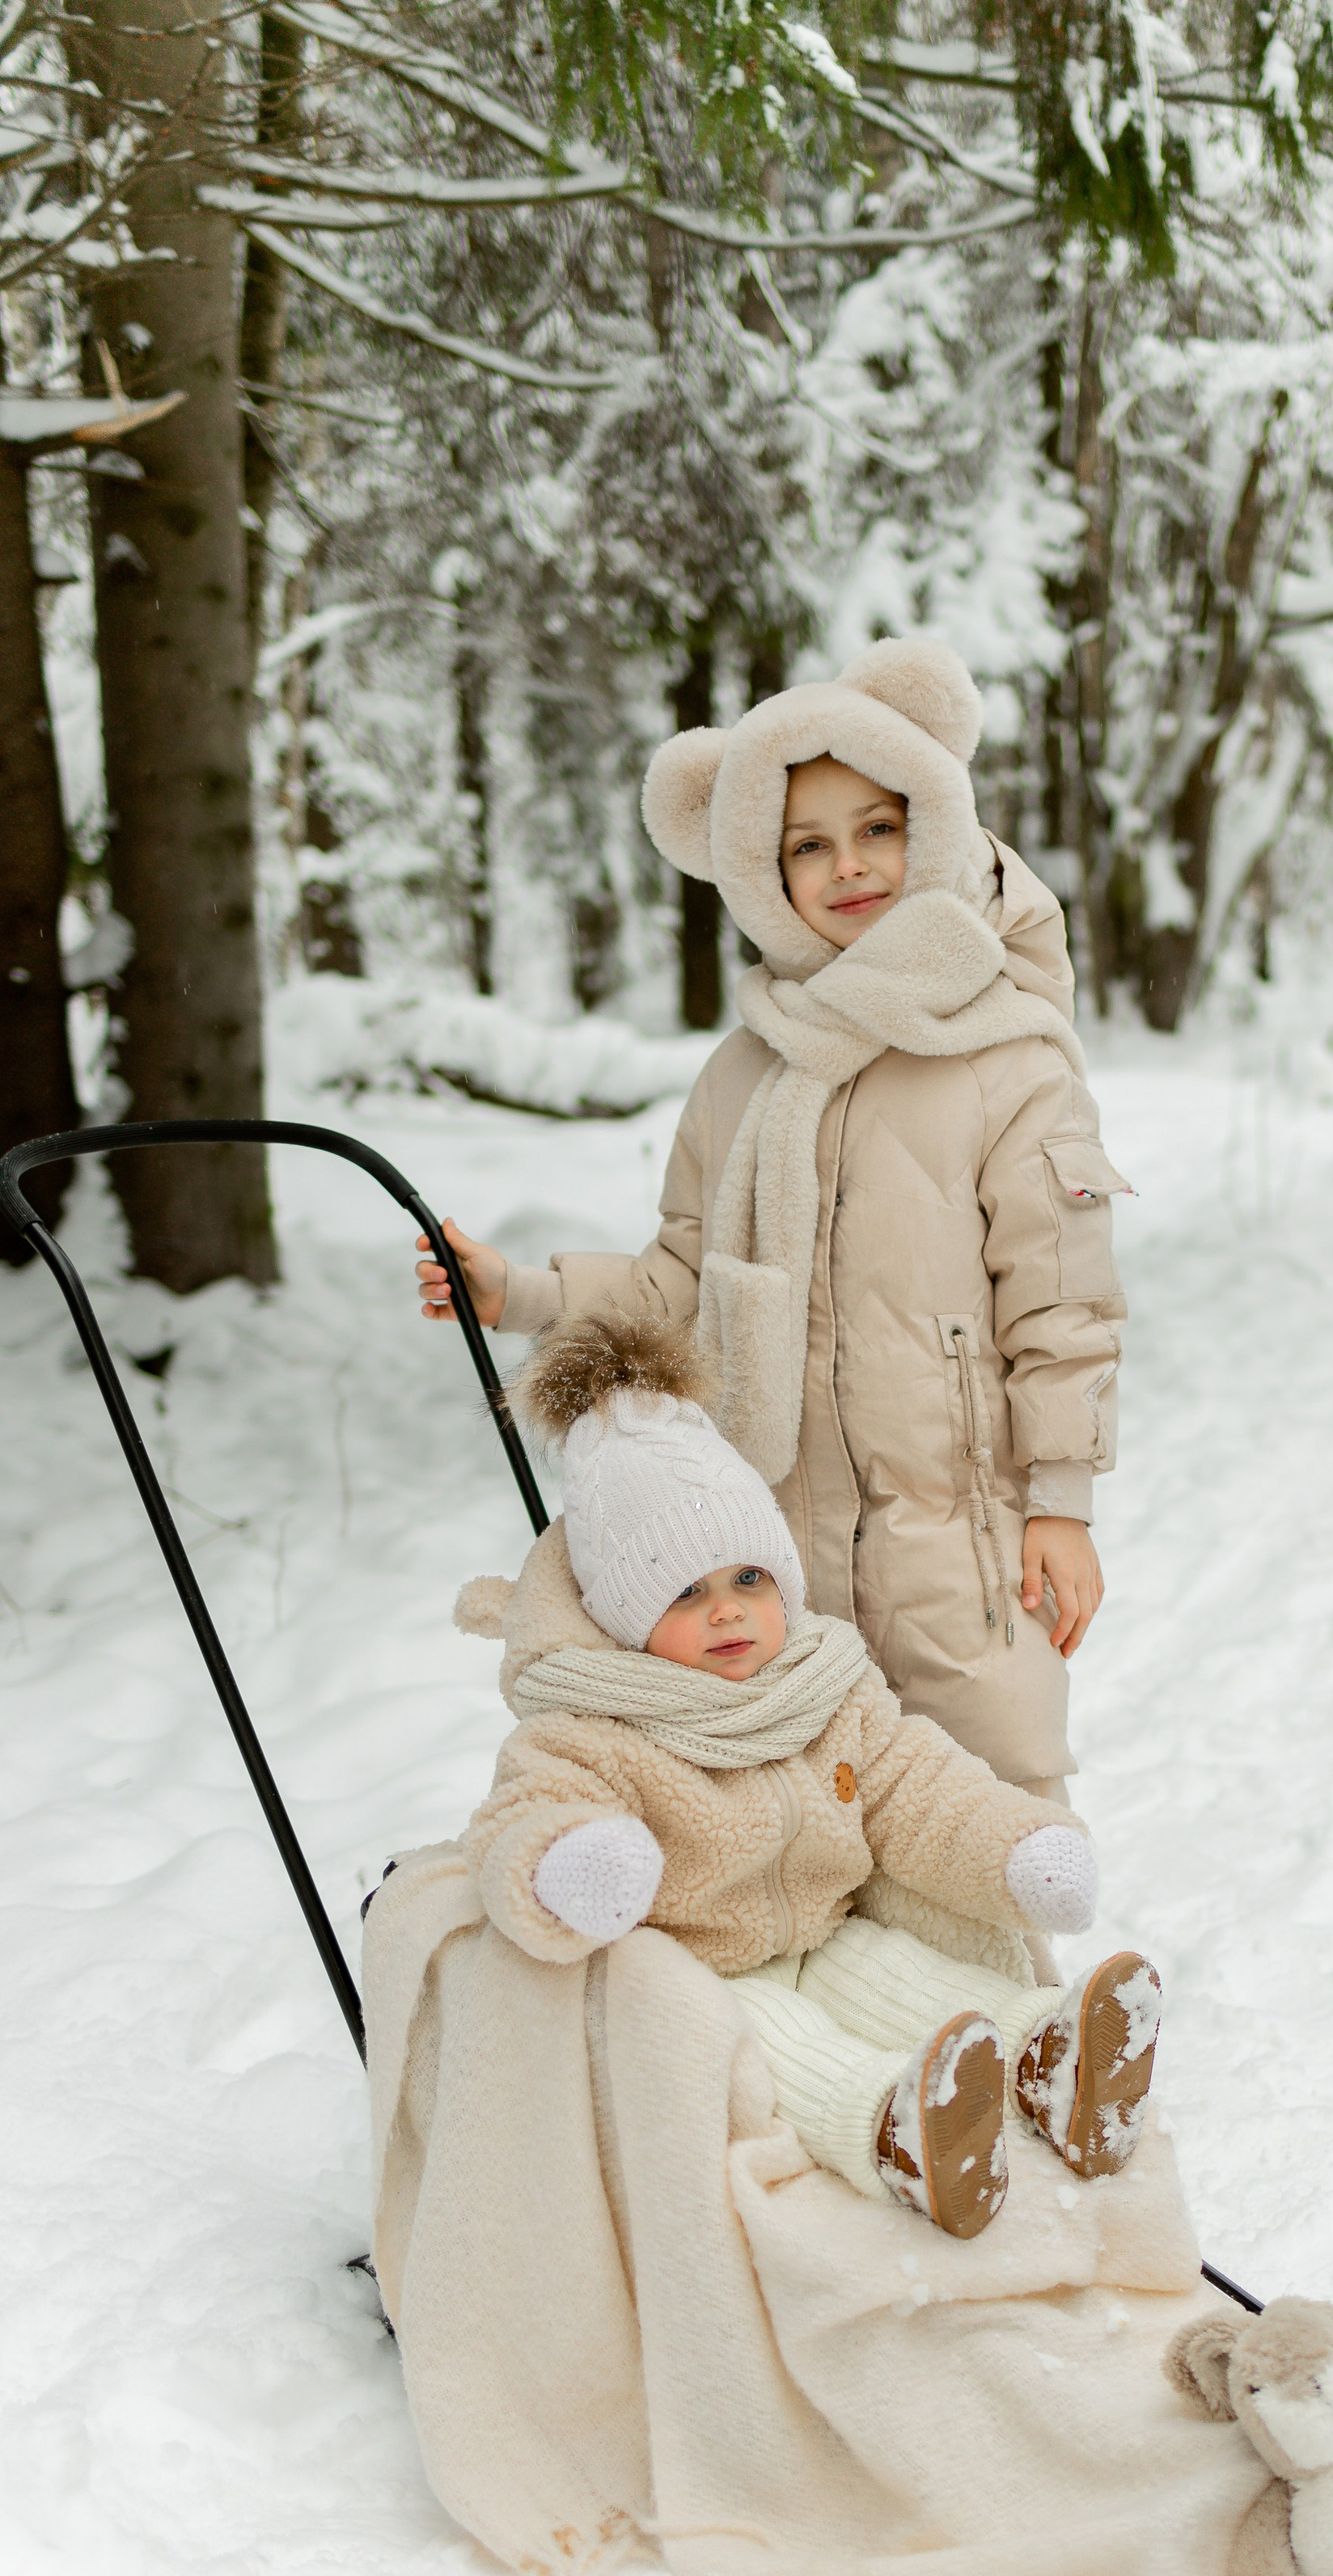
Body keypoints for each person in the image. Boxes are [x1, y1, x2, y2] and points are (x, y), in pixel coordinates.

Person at [413, 634, 1129, 1808]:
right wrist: (522, 1294)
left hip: (958, 1519)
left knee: (985, 1774)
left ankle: (1029, 1975)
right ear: (759, 869)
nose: (849, 865)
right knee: (816, 1787)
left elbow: (1066, 1305)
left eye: (879, 828)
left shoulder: (1011, 1056)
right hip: (781, 1518)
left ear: (934, 828)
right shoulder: (748, 1072)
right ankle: (872, 1997)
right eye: (808, 844)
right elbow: (682, 1277)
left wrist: (1062, 1504)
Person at [458, 1310, 1161, 2240]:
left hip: (825, 1935)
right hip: (702, 1974)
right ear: (625, 1614)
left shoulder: (823, 1685)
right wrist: (577, 1859)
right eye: (684, 1594)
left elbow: (918, 1786)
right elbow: (526, 1815)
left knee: (905, 1974)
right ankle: (898, 2129)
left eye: (747, 1578)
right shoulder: (595, 1725)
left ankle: (1052, 2055)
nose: (728, 1615)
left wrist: (1017, 1847)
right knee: (789, 2050)